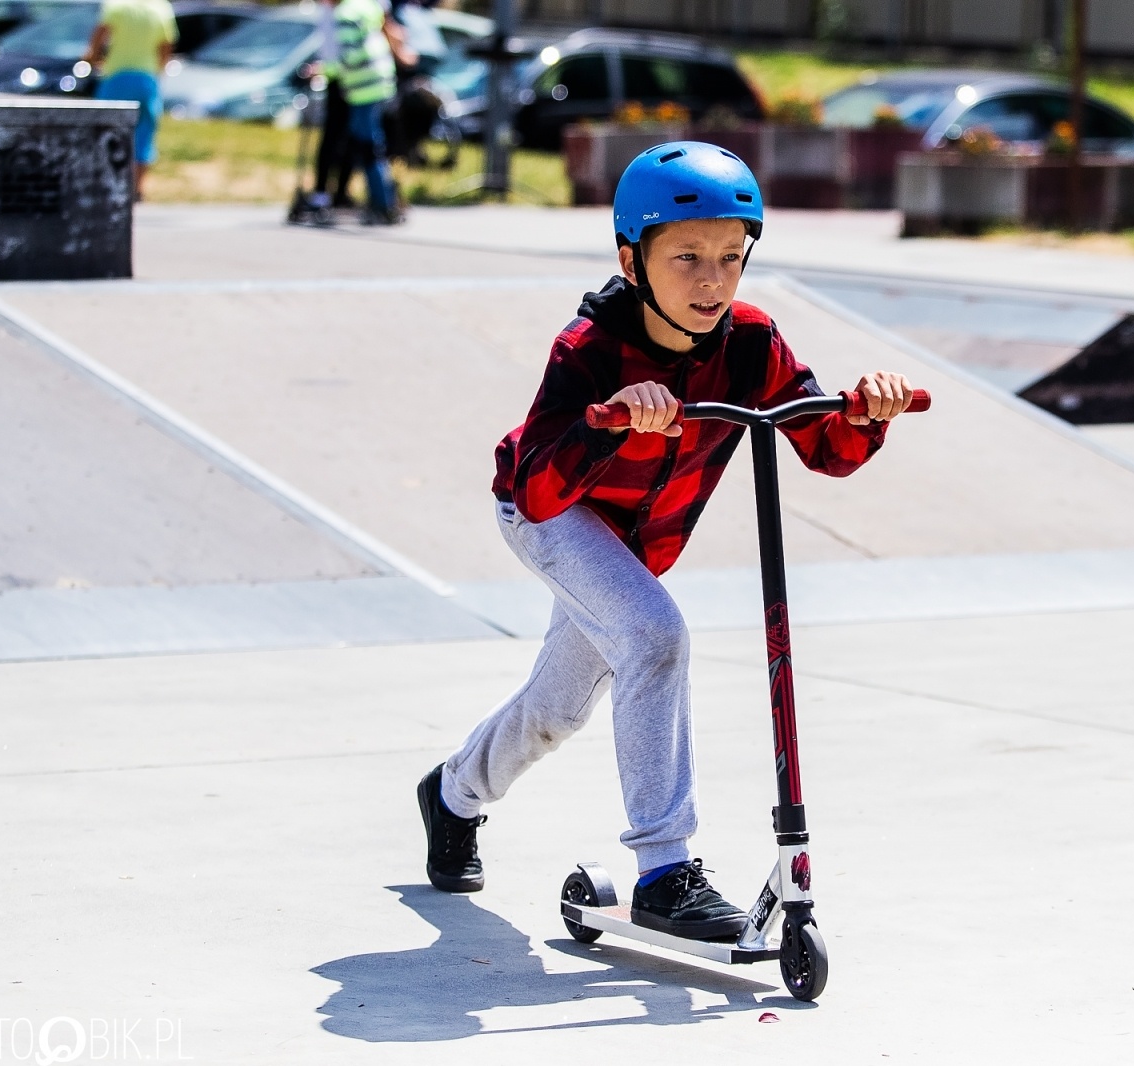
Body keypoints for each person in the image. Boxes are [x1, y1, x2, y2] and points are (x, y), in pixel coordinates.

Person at [415, 142, 916, 940]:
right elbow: (542, 485)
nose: (712, 280)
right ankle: (664, 869)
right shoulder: (588, 349)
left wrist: (862, 414)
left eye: (730, 256)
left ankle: (453, 793)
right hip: (551, 513)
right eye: (686, 257)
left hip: (638, 545)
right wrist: (611, 422)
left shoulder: (752, 343)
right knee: (653, 636)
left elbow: (822, 445)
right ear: (631, 258)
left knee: (558, 708)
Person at [323, 0, 410, 224]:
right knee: (370, 143)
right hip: (380, 79)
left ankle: (384, 204)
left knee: (368, 146)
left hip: (363, 86)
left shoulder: (345, 14)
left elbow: (350, 55)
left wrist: (324, 70)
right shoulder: (365, 5)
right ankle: (385, 200)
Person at [83, 0, 176, 200]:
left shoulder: (117, 5)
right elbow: (166, 45)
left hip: (116, 75)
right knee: (144, 130)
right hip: (146, 77)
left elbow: (100, 33)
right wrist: (158, 71)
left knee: (104, 129)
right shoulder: (161, 7)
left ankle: (104, 181)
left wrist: (92, 58)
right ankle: (138, 187)